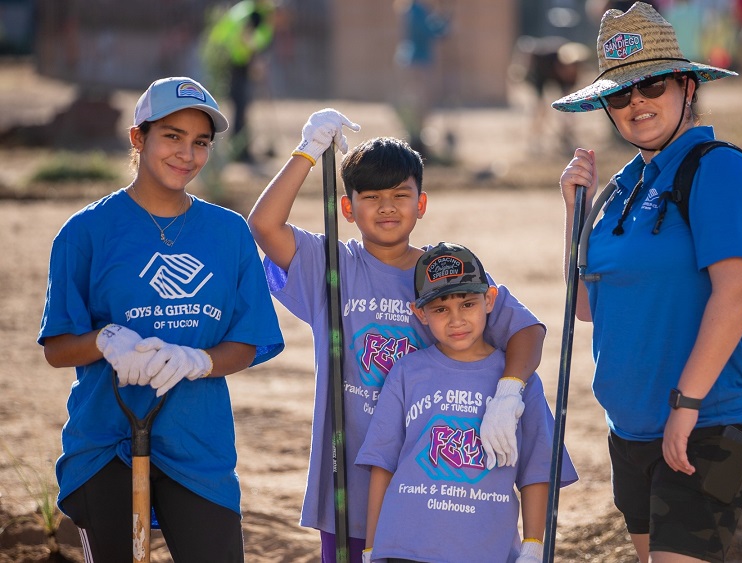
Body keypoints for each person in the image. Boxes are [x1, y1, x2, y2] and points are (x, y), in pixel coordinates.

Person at [247, 109, 546, 563]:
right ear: (346, 209)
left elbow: (527, 331)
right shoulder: (333, 267)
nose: (386, 207)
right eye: (370, 196)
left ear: (421, 204)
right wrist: (306, 153)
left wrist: (510, 392)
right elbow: (265, 225)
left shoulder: (445, 277)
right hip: (348, 479)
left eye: (400, 194)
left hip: (429, 488)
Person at [552, 3, 742, 562]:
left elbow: (739, 292)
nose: (636, 103)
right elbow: (585, 305)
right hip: (632, 431)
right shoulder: (624, 184)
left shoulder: (720, 169)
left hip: (709, 421)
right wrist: (575, 218)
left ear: (687, 86)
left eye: (651, 84)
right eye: (620, 94)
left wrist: (687, 404)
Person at [38, 76, 285, 561]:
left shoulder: (228, 233)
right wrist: (106, 340)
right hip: (106, 441)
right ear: (138, 137)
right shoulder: (86, 232)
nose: (186, 154)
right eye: (172, 136)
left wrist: (197, 360)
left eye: (200, 143)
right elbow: (57, 347)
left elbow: (250, 340)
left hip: (199, 444)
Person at [357, 242, 578, 563]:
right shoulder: (407, 371)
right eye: (440, 309)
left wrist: (533, 546)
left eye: (467, 304)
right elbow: (382, 463)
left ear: (489, 300)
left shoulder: (518, 381)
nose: (456, 320)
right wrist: (371, 547)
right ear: (420, 312)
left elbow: (537, 471)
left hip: (485, 548)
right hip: (405, 545)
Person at [204, 0, 276, 162]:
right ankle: (240, 150)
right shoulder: (253, 14)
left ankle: (239, 147)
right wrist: (255, 60)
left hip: (229, 60)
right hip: (235, 62)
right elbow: (247, 36)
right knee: (241, 104)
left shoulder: (247, 9)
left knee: (240, 104)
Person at [393, 0, 450, 158]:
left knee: (419, 101)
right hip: (418, 61)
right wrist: (443, 20)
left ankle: (418, 136)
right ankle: (416, 137)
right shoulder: (416, 10)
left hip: (414, 59)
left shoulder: (415, 9)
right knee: (420, 101)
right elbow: (427, 32)